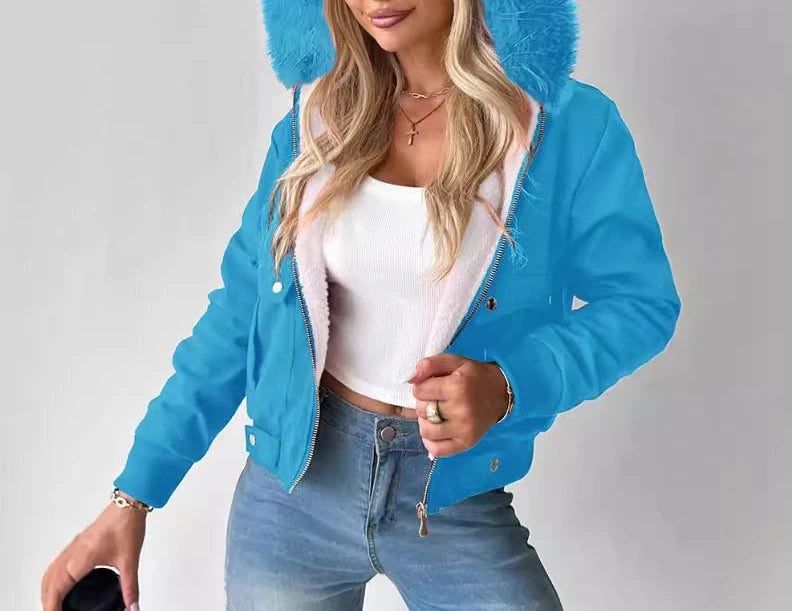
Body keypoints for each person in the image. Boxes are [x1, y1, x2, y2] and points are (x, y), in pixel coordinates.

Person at [41, 0, 682, 609]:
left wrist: (508, 383)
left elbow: (640, 303)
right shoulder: (315, 119)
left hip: (450, 498)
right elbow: (239, 316)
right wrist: (133, 495)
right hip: (293, 496)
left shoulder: (566, 128)